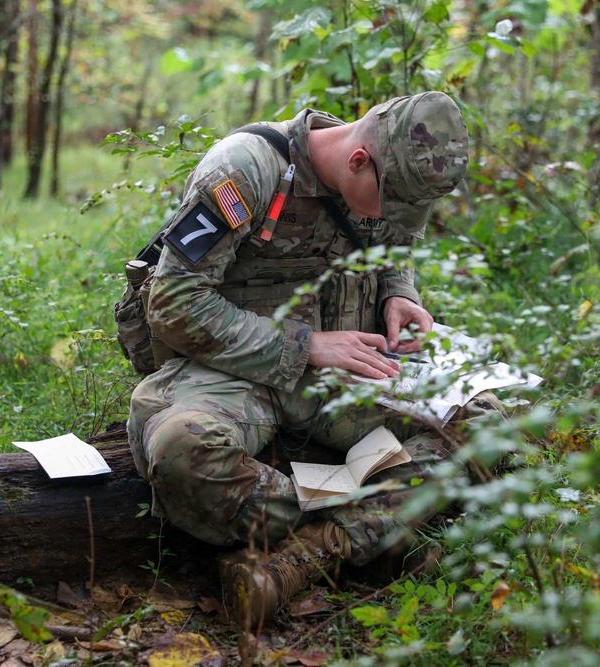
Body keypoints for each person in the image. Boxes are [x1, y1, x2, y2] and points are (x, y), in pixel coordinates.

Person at [126, 91, 504, 627]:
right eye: (391, 205)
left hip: (344, 375)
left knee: (482, 419)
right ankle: (380, 513)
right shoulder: (246, 170)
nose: (397, 220)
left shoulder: (384, 179)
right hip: (233, 372)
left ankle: (310, 553)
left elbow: (394, 250)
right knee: (181, 450)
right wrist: (305, 346)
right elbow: (173, 303)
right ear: (357, 160)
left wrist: (400, 293)